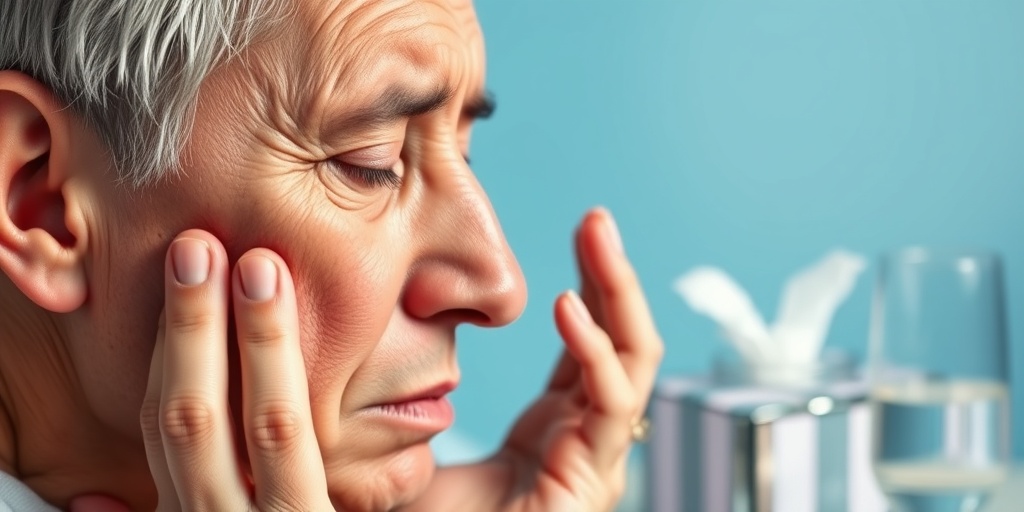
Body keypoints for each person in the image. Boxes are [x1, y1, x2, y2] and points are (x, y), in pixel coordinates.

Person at [0, 0, 664, 510]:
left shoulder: (451, 474)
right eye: (368, 162)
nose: (501, 286)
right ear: (44, 204)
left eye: (462, 152)